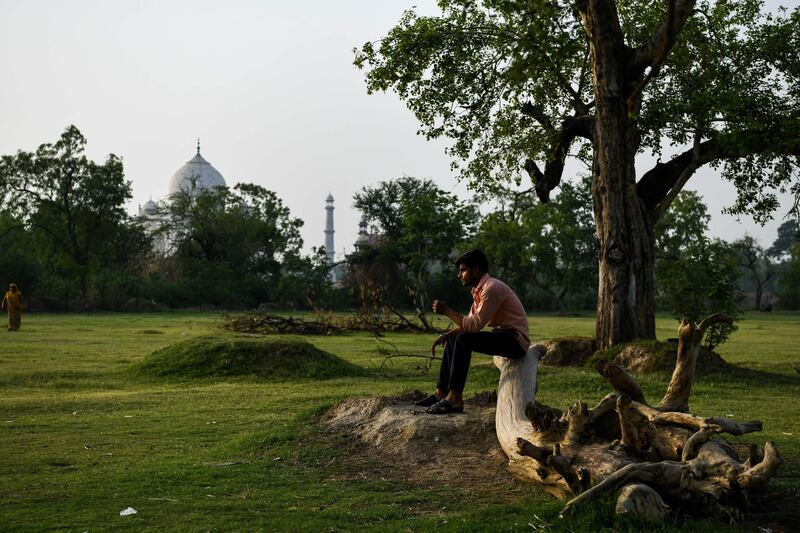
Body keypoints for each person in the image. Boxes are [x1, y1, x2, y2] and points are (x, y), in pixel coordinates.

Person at [416, 250, 529, 414]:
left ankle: (455, 398)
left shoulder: (491, 288)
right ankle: (441, 393)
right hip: (502, 336)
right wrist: (446, 336)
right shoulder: (480, 290)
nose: (459, 275)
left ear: (476, 270)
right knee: (455, 339)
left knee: (463, 340)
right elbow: (468, 323)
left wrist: (447, 311)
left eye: (463, 270)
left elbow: (474, 326)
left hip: (515, 342)